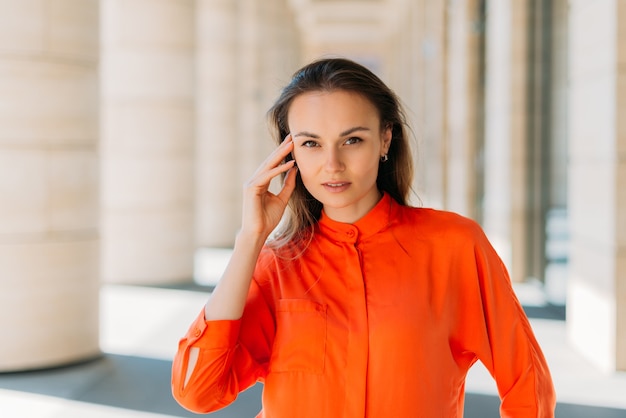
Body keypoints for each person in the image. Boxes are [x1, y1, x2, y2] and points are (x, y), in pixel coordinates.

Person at [171, 57, 556, 417]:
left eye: (352, 140)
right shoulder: (275, 266)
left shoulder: (454, 245)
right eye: (311, 143)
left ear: (385, 139)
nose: (332, 164)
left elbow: (527, 382)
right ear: (290, 153)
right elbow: (197, 391)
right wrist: (250, 239)